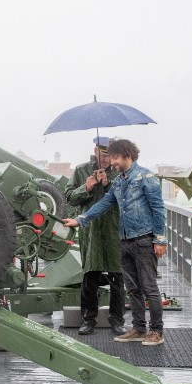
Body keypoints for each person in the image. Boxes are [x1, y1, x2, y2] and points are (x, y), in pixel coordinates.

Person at [62, 138, 168, 346]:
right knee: (133, 288)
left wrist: (160, 239)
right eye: (111, 157)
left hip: (144, 240)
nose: (113, 162)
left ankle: (156, 331)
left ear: (128, 156)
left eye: (116, 157)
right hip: (125, 240)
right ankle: (139, 328)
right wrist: (79, 220)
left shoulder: (147, 177)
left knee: (149, 288)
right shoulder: (119, 181)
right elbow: (104, 203)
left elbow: (158, 209)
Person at [65, 137, 125, 336]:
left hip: (113, 229)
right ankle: (88, 320)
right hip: (90, 230)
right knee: (90, 274)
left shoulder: (119, 172)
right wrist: (87, 188)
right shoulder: (81, 170)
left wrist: (108, 185)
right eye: (103, 154)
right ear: (95, 151)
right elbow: (70, 198)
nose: (107, 159)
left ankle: (117, 320)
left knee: (117, 274)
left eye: (110, 155)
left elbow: (124, 199)